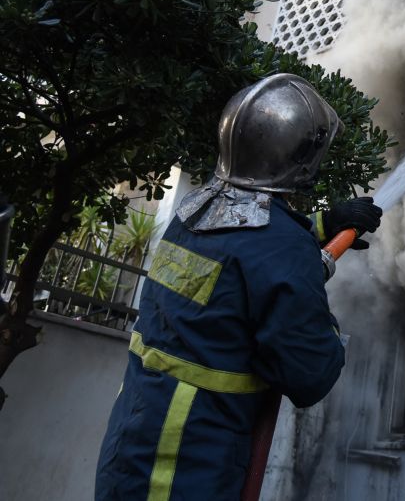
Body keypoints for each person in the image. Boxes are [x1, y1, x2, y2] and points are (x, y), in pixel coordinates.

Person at [94, 74, 382, 500]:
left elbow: (240, 255)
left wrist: (321, 227)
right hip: (185, 464)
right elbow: (310, 374)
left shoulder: (193, 213)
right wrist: (324, 324)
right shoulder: (281, 249)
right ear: (302, 155)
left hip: (130, 443)